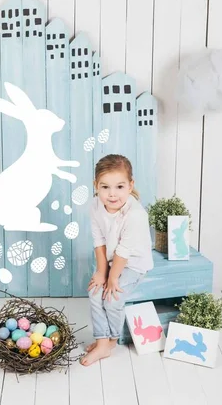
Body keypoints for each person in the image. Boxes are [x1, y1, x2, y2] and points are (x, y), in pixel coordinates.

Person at [80, 154, 154, 366]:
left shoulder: (135, 214)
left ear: (130, 186)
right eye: (105, 187)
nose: (112, 194)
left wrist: (112, 279)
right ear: (96, 186)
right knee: (95, 292)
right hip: (113, 261)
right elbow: (99, 239)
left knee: (112, 298)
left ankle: (111, 339)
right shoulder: (95, 206)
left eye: (119, 187)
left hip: (133, 263)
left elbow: (124, 251)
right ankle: (102, 340)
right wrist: (101, 272)